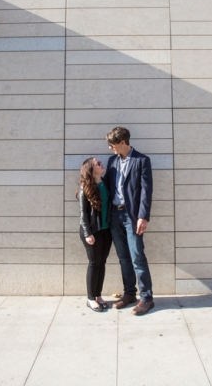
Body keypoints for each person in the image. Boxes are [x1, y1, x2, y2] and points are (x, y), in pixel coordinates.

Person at [104, 127, 155, 315]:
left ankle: (147, 298)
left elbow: (146, 191)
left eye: (112, 145)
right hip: (114, 215)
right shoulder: (112, 162)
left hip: (132, 217)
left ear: (123, 142)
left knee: (137, 257)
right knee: (123, 258)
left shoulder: (142, 161)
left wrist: (143, 216)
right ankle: (129, 293)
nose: (110, 148)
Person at [77, 157, 113, 312]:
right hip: (93, 231)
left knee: (102, 262)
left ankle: (98, 295)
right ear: (91, 169)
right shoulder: (84, 188)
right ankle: (90, 299)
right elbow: (82, 214)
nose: (101, 164)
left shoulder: (105, 183)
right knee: (94, 263)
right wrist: (87, 233)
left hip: (106, 230)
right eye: (98, 163)